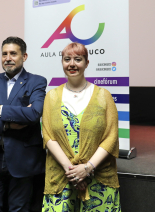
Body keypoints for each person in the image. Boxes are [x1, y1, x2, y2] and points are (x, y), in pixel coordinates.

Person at [41, 42, 121, 211]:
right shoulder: (51, 97)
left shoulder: (103, 96)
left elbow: (111, 136)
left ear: (87, 63)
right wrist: (73, 172)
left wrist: (87, 168)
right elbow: (48, 135)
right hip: (61, 178)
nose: (72, 64)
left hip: (99, 178)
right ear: (62, 62)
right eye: (67, 59)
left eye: (78, 59)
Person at [0, 36, 47, 212]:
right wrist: (7, 125)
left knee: (19, 208)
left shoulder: (37, 81)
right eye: (4, 54)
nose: (8, 58)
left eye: (13, 53)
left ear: (24, 56)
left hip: (22, 156)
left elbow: (33, 114)